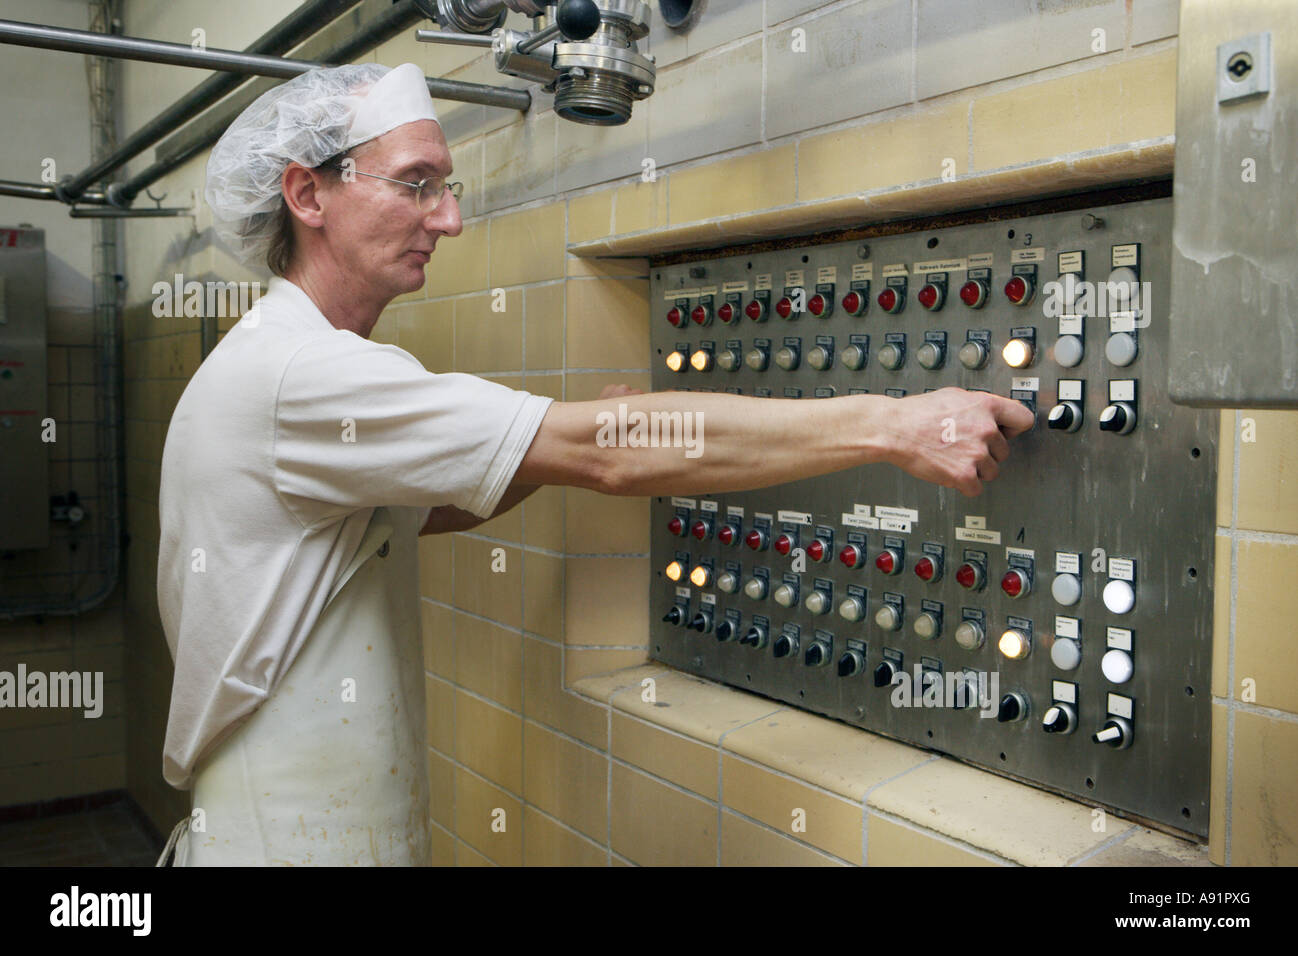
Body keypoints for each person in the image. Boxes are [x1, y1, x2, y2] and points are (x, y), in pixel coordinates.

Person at [155, 62, 1034, 866]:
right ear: (308, 193)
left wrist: (563, 448)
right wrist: (892, 425)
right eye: (416, 185)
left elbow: (433, 508)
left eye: (448, 188)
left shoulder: (292, 362)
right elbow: (613, 462)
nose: (449, 219)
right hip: (290, 837)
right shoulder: (304, 375)